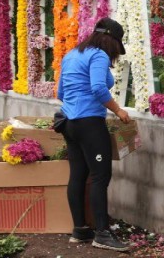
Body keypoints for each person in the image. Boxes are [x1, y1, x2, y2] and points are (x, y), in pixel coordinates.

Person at [57, 17, 131, 252]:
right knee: (100, 176)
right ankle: (102, 233)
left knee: (78, 175)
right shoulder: (98, 55)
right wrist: (118, 109)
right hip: (89, 123)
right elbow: (98, 88)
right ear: (110, 41)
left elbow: (60, 91)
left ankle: (80, 230)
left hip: (68, 122)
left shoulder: (72, 55)